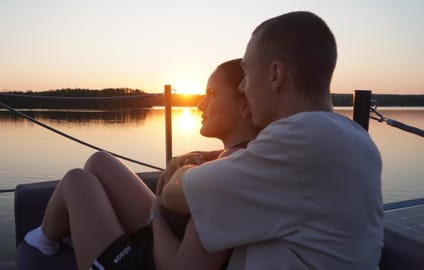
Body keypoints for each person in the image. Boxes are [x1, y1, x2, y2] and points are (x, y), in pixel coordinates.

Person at [160, 11, 383, 270]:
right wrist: (211, 156)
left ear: (275, 74)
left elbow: (177, 195)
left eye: (246, 72)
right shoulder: (354, 137)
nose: (243, 87)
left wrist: (184, 169)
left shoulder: (298, 140)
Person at [23, 58, 260, 270]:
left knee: (76, 181)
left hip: (151, 260)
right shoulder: (256, 150)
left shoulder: (226, 178)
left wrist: (156, 217)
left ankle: (43, 239)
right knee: (100, 161)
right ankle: (48, 235)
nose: (199, 104)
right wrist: (205, 154)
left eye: (212, 94)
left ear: (245, 106)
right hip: (166, 237)